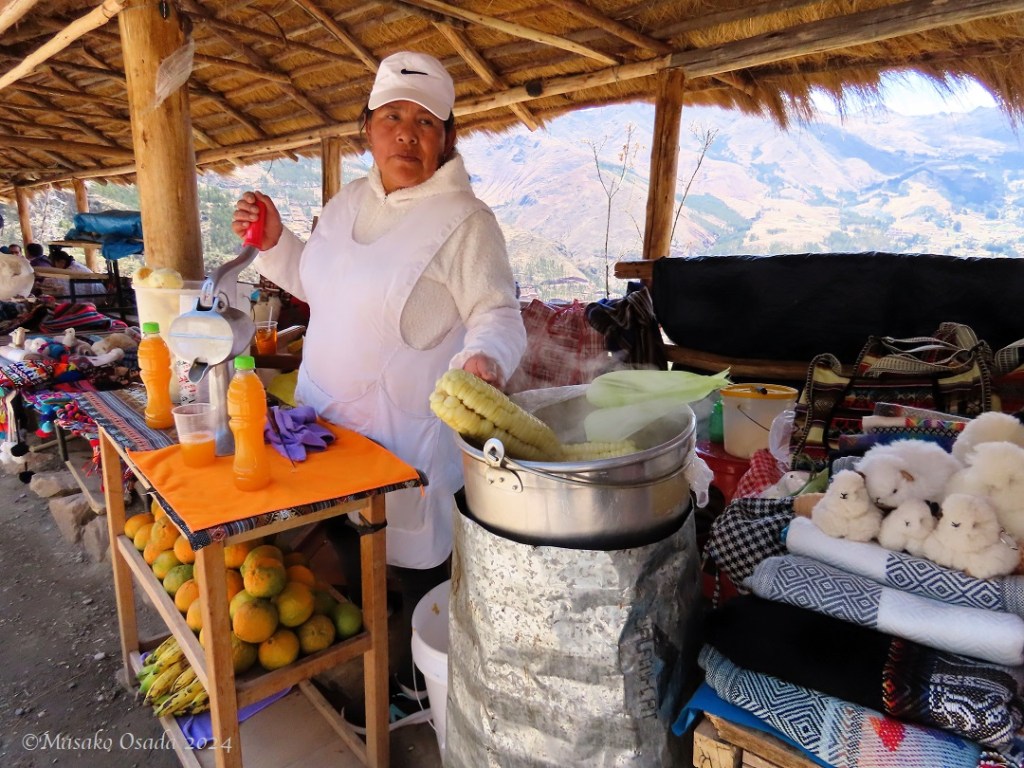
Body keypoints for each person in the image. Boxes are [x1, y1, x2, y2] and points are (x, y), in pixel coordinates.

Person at [232, 51, 526, 726]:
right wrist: (277, 244)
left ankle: (422, 688)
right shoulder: (345, 206)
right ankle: (376, 645)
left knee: (419, 563)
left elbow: (498, 312)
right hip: (327, 422)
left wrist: (485, 356)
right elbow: (322, 287)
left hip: (405, 435)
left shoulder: (465, 221)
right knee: (348, 537)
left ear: (446, 138)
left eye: (425, 123)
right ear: (366, 127)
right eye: (392, 117)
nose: (407, 135)